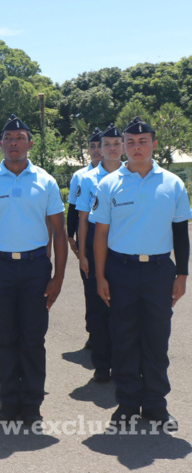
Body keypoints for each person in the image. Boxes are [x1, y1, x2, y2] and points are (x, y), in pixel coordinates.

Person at [91, 116, 191, 432]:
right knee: (124, 339)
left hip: (161, 271)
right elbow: (100, 235)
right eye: (130, 142)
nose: (136, 147)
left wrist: (182, 275)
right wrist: (100, 277)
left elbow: (181, 233)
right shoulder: (109, 184)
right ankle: (128, 406)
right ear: (122, 146)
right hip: (121, 271)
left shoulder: (173, 183)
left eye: (142, 141)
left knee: (156, 340)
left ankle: (156, 406)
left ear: (154, 144)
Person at [0, 114, 67, 426]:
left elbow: (60, 232)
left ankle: (32, 405)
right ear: (1, 144)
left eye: (20, 138)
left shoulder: (45, 181)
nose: (14, 143)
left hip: (35, 267)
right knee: (6, 339)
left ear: (30, 142)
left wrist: (59, 277)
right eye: (9, 138)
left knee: (33, 339)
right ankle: (9, 404)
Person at [76, 124, 123, 384]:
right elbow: (83, 219)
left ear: (123, 147)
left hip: (122, 242)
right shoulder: (87, 178)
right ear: (99, 149)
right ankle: (102, 365)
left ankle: (123, 362)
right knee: (97, 306)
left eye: (117, 144)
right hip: (95, 242)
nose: (112, 149)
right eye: (107, 144)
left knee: (122, 307)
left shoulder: (133, 176)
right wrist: (83, 254)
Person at [67, 128, 102, 349]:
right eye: (92, 146)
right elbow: (73, 209)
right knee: (90, 288)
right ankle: (94, 331)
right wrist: (71, 237)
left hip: (115, 240)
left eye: (100, 145)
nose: (97, 150)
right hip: (87, 238)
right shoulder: (80, 176)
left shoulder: (124, 172)